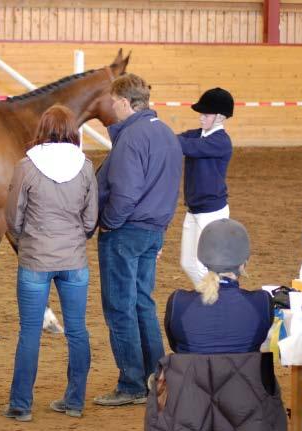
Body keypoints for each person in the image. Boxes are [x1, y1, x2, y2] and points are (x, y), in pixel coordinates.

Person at [3, 105, 98, 421]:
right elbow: (90, 219)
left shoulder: (26, 166)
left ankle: (21, 405)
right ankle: (75, 401)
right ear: (72, 129)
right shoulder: (85, 166)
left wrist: (27, 237)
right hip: (74, 259)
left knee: (29, 332)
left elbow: (13, 218)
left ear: (43, 128)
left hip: (35, 259)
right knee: (77, 330)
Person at [95, 73, 182, 407]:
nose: (111, 107)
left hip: (126, 231)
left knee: (120, 307)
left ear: (126, 103)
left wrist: (109, 223)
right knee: (143, 302)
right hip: (153, 230)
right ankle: (156, 377)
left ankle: (131, 383)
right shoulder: (166, 133)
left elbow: (125, 193)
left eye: (114, 102)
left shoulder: (131, 138)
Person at [165, 218, 272, 354]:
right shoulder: (262, 302)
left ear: (202, 259)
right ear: (244, 263)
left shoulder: (178, 301)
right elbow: (259, 341)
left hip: (193, 374)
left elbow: (176, 345)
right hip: (245, 375)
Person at [178, 87, 234, 286]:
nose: (201, 118)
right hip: (194, 208)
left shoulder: (221, 142)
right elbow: (176, 140)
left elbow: (187, 147)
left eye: (206, 114)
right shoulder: (196, 135)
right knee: (188, 263)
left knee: (206, 265)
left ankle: (219, 299)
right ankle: (210, 299)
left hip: (212, 212)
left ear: (220, 117)